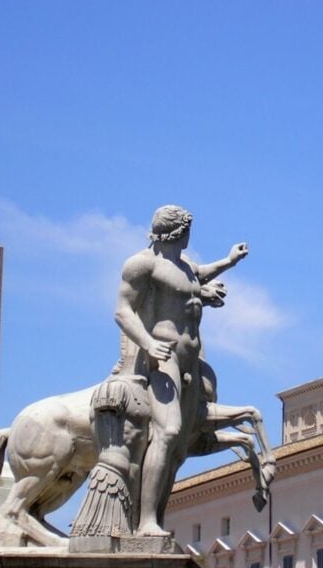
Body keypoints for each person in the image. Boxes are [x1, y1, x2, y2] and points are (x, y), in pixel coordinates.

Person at [115, 205, 248, 536]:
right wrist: (147, 343)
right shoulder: (142, 264)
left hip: (191, 361)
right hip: (164, 357)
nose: (191, 235)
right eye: (189, 229)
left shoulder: (185, 265)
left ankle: (156, 518)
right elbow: (122, 311)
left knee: (179, 448)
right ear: (179, 232)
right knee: (169, 432)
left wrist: (229, 261)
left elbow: (198, 275)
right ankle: (144, 522)